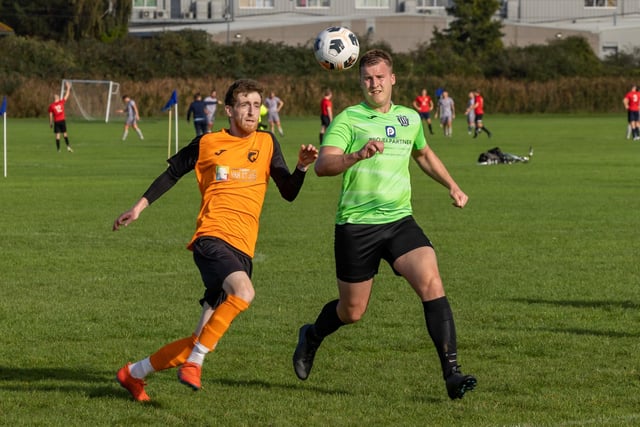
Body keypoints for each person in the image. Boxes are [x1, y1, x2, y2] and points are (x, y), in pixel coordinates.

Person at [113, 78, 318, 402]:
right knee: (244, 292)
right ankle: (194, 365)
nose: (252, 111)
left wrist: (302, 168)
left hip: (242, 249)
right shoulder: (207, 142)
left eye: (256, 104)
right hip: (211, 239)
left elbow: (288, 192)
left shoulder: (266, 143)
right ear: (229, 109)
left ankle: (133, 373)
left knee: (202, 337)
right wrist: (138, 207)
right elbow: (172, 174)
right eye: (245, 104)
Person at [292, 49, 477, 400]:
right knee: (352, 311)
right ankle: (313, 335)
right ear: (360, 82)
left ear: (392, 79)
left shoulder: (409, 118)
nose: (374, 83)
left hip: (399, 221)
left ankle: (452, 373)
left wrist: (452, 185)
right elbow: (323, 166)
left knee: (431, 281)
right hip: (356, 226)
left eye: (380, 77)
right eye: (367, 78)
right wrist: (356, 155)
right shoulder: (348, 120)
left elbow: (422, 154)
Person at [48, 81, 73, 153]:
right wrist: (68, 88)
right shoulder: (61, 102)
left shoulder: (51, 106)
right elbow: (67, 95)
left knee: (57, 135)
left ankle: (58, 150)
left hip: (56, 121)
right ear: (58, 98)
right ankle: (68, 147)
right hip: (62, 120)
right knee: (65, 133)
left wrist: (50, 123)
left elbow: (50, 115)